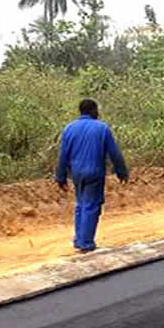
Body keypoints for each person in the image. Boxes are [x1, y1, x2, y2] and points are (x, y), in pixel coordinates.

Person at [55, 99, 129, 253]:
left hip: (76, 174)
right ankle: (86, 243)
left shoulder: (69, 128)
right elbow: (114, 153)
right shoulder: (102, 128)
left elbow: (63, 155)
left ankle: (79, 240)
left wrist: (61, 177)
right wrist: (121, 172)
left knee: (81, 205)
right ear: (93, 110)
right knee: (91, 206)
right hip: (94, 172)